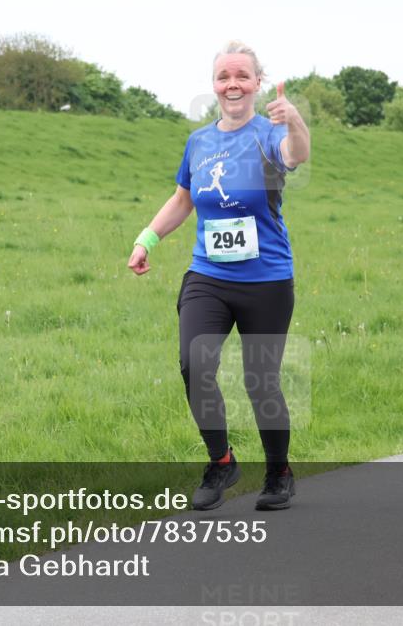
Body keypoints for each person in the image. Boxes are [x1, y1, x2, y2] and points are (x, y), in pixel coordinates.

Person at [128, 41, 311, 511]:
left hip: (267, 279)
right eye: (224, 76)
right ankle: (222, 460)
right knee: (194, 364)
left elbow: (298, 154)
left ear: (256, 83)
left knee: (260, 381)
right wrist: (147, 239)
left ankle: (279, 474)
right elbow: (183, 200)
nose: (232, 84)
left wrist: (293, 118)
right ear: (215, 84)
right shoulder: (199, 142)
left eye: (242, 76)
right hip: (208, 275)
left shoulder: (268, 133)